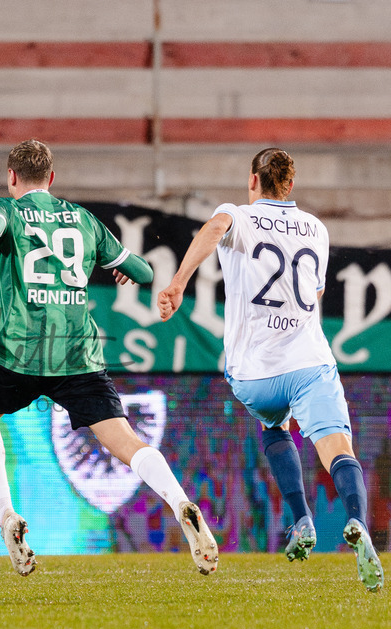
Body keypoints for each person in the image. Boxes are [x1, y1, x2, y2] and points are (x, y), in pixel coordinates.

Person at [0, 139, 218, 577]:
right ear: (52, 179)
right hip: (78, 352)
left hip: (21, 350)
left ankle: (6, 517)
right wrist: (121, 268)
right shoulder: (83, 219)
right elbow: (146, 272)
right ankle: (180, 501)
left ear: (12, 177)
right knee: (124, 440)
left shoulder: (6, 209)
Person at [158, 148, 383, 592]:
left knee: (274, 426)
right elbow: (313, 297)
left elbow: (214, 228)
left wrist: (179, 281)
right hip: (308, 363)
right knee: (339, 450)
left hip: (254, 375)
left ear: (253, 181)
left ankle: (301, 519)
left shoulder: (237, 214)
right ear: (291, 185)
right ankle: (358, 521)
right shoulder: (316, 229)